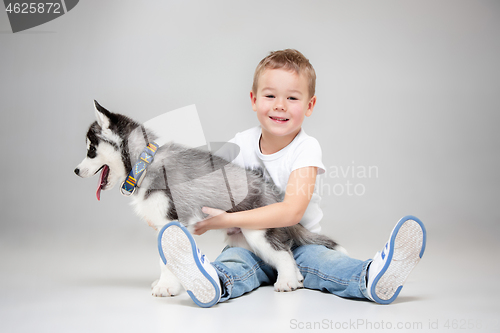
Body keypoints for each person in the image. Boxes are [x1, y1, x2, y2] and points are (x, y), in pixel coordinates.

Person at [157, 49, 426, 308]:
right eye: (270, 95)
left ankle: (373, 277)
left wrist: (227, 220)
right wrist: (168, 209)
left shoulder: (306, 148)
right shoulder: (240, 144)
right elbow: (207, 187)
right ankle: (213, 282)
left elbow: (291, 212)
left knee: (326, 264)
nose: (280, 106)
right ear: (253, 100)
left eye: (292, 98)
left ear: (310, 105)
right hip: (248, 244)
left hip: (299, 245)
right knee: (234, 263)